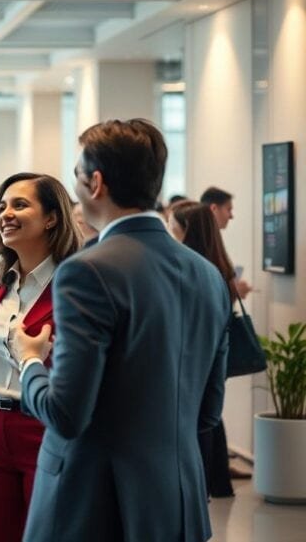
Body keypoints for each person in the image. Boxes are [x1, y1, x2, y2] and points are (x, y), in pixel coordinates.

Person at [16, 119, 230, 541]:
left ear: (96, 183)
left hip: (93, 507)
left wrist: (28, 362)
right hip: (178, 502)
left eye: (76, 175)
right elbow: (207, 412)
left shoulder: (87, 271)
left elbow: (65, 414)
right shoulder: (208, 275)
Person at [0, 173, 81, 542]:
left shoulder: (76, 282)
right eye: (2, 206)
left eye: (20, 204)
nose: (6, 214)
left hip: (45, 427)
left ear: (52, 217)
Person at [169, 200, 242, 497]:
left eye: (172, 228)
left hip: (186, 378)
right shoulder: (217, 270)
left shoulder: (189, 274)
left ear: (186, 231)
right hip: (207, 373)